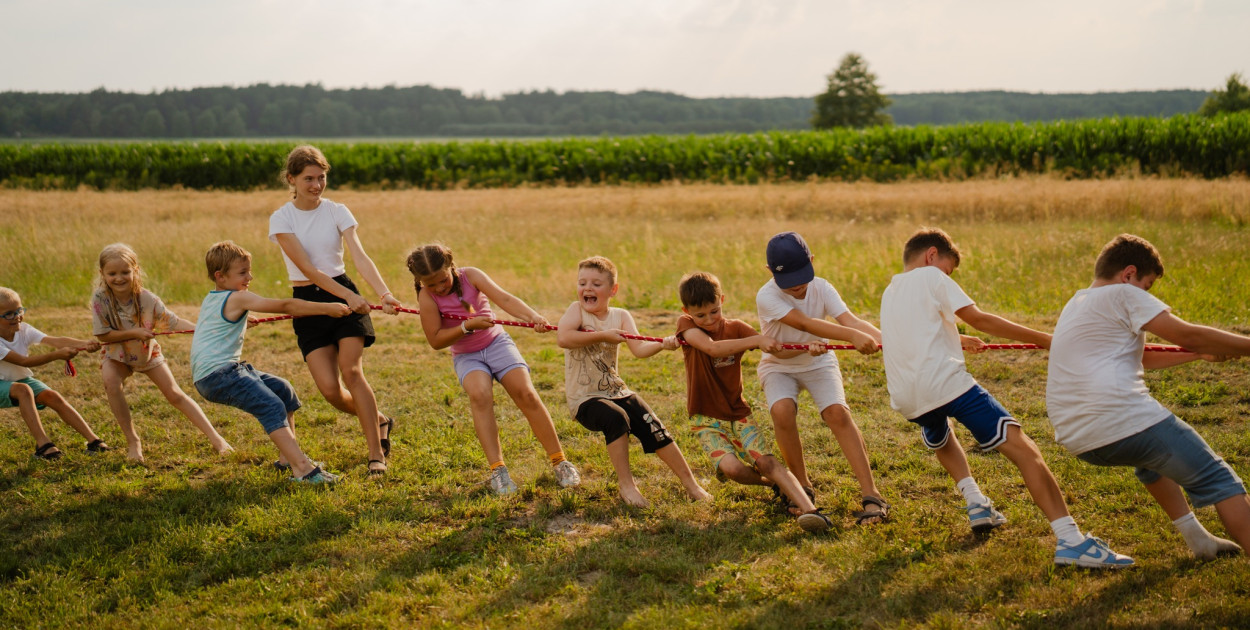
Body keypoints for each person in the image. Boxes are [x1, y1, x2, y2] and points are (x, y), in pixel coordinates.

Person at [880, 227, 1132, 568]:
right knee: (1028, 452)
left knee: (941, 434)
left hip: (908, 398)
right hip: (946, 385)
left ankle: (976, 502)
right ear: (931, 256)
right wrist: (1044, 338)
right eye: (948, 269)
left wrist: (958, 339)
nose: (947, 276)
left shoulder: (891, 290)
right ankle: (1072, 541)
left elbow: (914, 333)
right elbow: (979, 318)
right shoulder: (931, 276)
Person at [1047, 233, 1250, 559]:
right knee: (1221, 481)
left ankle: (1199, 542)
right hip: (1120, 420)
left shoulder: (1078, 303)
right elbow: (1186, 333)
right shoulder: (1123, 295)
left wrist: (1197, 355)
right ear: (1128, 274)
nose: (1146, 293)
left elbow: (1140, 357)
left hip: (1079, 437)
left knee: (1151, 461)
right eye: (1148, 285)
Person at [407, 243, 581, 495]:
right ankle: (498, 471)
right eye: (430, 284)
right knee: (479, 395)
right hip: (467, 355)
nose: (439, 288)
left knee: (526, 393)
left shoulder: (472, 276)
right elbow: (435, 340)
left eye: (442, 280)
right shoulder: (427, 296)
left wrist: (533, 317)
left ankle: (560, 461)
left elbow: (505, 298)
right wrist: (467, 326)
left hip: (496, 343)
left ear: (451, 266)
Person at [269, 145, 400, 475]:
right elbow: (308, 269)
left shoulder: (338, 210)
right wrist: (343, 298)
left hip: (344, 294)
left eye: (321, 177)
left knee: (351, 371)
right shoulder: (281, 218)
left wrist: (382, 293)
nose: (316, 185)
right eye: (308, 178)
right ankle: (380, 420)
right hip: (310, 303)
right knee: (330, 391)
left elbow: (359, 255)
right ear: (292, 179)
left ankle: (376, 455)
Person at [678, 271, 837, 533]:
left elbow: (777, 350)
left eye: (714, 311)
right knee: (734, 471)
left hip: (738, 413)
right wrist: (756, 340)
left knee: (766, 462)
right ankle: (775, 485)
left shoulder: (737, 328)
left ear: (722, 301)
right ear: (687, 311)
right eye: (701, 315)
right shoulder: (686, 326)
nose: (709, 320)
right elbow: (712, 348)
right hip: (705, 418)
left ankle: (811, 512)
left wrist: (808, 346)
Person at [755, 231, 890, 524]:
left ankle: (872, 495)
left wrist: (888, 344)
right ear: (770, 273)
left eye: (801, 277)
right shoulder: (766, 296)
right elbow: (805, 323)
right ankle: (801, 487)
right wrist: (851, 336)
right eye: (788, 282)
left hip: (819, 362)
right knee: (782, 410)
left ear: (812, 261)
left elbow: (851, 321)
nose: (797, 287)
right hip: (778, 364)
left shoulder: (823, 288)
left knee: (837, 414)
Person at [556, 256, 710, 507]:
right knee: (617, 419)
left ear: (612, 290)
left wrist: (663, 344)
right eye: (582, 283)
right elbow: (563, 337)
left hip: (617, 390)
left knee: (652, 423)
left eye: (596, 284)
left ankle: (692, 486)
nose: (587, 289)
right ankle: (627, 487)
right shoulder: (577, 311)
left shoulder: (621, 316)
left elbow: (638, 349)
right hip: (585, 398)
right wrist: (604, 335)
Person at [191, 241, 344, 484]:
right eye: (242, 272)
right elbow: (286, 305)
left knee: (283, 390)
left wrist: (242, 317)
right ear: (220, 276)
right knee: (271, 406)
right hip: (218, 375)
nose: (249, 276)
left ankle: (288, 460)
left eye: (248, 270)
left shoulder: (215, 298)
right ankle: (303, 469)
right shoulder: (238, 298)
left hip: (215, 374)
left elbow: (219, 321)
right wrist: (327, 308)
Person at [91, 243, 233, 462]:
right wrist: (135, 332)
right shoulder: (100, 299)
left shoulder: (148, 299)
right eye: (112, 273)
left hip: (146, 353)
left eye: (125, 272)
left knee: (175, 394)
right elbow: (103, 335)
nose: (119, 278)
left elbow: (174, 322)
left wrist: (210, 328)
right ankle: (133, 442)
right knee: (111, 381)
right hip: (116, 353)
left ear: (135, 270)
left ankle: (217, 439)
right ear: (103, 274)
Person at [0, 286, 110, 460]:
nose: (17, 317)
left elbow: (55, 341)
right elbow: (24, 361)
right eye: (9, 314)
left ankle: (94, 441)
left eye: (19, 310)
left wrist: (85, 343)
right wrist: (56, 356)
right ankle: (43, 446)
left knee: (53, 396)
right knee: (24, 390)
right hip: (8, 384)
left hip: (18, 380)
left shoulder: (23, 329)